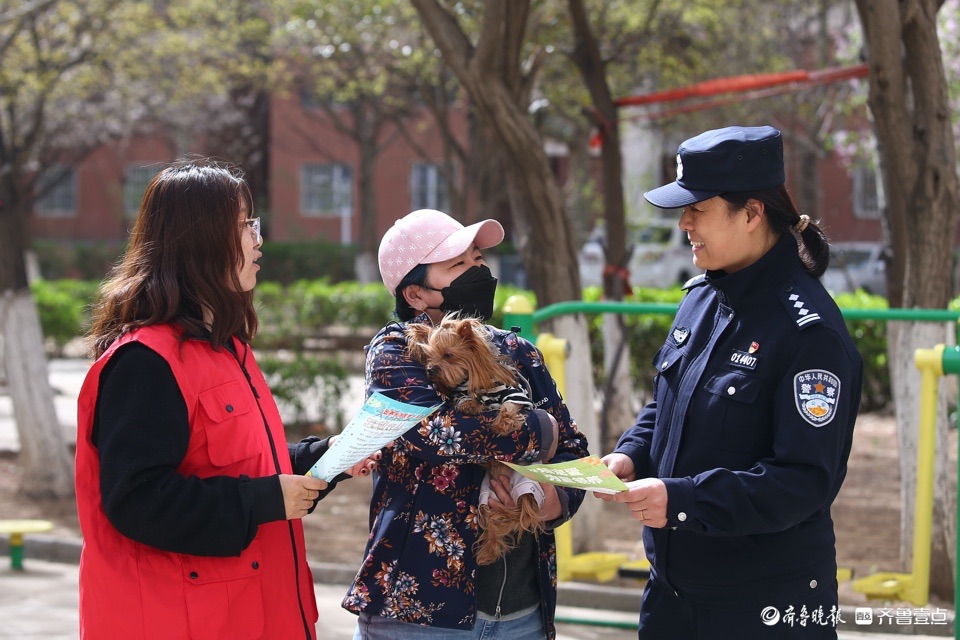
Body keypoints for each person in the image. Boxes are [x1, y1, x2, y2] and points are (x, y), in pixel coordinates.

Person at [75, 159, 374, 640]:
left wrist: (327, 458)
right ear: (201, 241)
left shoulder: (225, 348)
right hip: (179, 621)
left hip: (249, 614)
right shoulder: (145, 363)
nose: (258, 240)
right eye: (244, 226)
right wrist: (262, 500)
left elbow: (238, 467)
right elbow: (136, 500)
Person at [599, 126, 863, 639]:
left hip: (763, 604)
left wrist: (684, 500)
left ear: (751, 213)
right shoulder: (703, 295)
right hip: (674, 596)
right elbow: (669, 401)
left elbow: (802, 481)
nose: (685, 223)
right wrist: (632, 453)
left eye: (698, 208)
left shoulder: (809, 333)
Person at [343, 208, 590, 640]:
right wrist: (540, 430)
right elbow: (432, 432)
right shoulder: (397, 350)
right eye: (458, 264)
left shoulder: (519, 351)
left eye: (477, 258)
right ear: (416, 294)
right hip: (418, 614)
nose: (478, 269)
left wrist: (556, 500)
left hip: (521, 609)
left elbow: (575, 452)